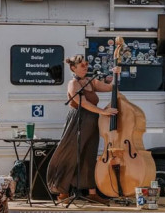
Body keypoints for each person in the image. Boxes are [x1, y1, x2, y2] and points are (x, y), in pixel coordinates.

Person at [46, 54, 119, 204]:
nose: (86, 67)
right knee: (72, 154)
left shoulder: (90, 81)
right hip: (78, 120)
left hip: (92, 121)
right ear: (73, 68)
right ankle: (63, 192)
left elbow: (112, 87)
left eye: (86, 64)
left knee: (89, 155)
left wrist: (116, 74)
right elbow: (82, 103)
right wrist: (103, 112)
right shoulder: (73, 84)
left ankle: (92, 193)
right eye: (82, 65)